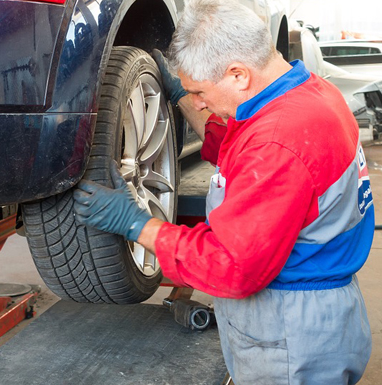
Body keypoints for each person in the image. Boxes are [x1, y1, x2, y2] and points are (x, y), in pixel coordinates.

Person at [72, 0, 373, 383]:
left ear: (237, 74)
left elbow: (231, 266)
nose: (199, 102)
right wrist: (181, 94)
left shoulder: (278, 143)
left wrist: (137, 225)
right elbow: (235, 145)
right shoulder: (310, 94)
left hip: (291, 334)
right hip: (317, 312)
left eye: (200, 91)